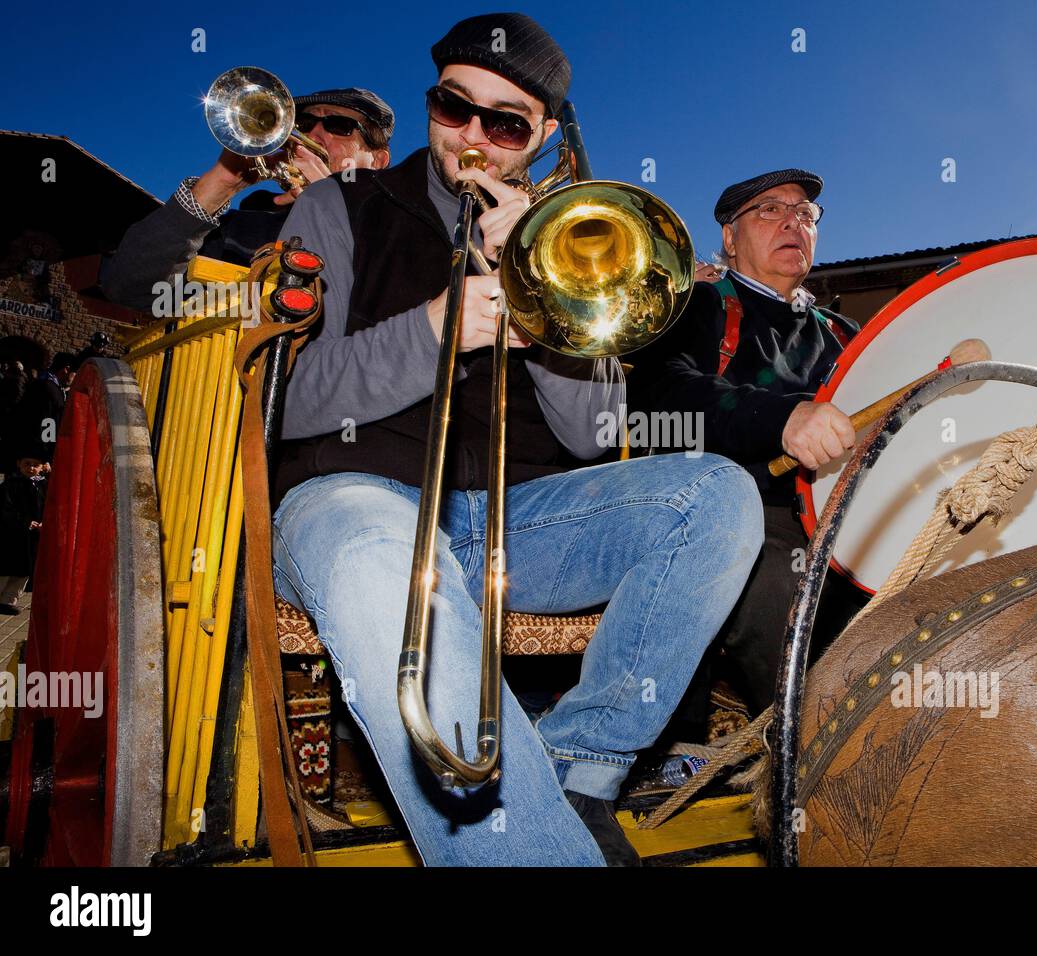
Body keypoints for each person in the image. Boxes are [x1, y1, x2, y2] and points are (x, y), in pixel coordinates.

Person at [270, 13, 763, 866]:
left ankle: (580, 766)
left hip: (516, 517)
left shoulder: (562, 233)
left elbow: (597, 435)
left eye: (503, 125)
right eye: (453, 108)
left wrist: (537, 297)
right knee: (384, 567)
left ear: (539, 141)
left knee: (716, 494)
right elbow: (292, 402)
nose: (472, 140)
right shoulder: (337, 207)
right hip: (354, 493)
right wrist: (438, 327)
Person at [629, 169, 867, 741]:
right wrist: (779, 419)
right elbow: (654, 403)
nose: (793, 222)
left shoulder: (843, 332)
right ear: (730, 240)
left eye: (805, 214)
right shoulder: (698, 306)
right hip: (744, 507)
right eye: (769, 210)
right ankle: (822, 757)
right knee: (772, 579)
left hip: (842, 515)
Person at [99, 87, 394, 311]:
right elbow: (128, 288)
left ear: (377, 160)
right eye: (303, 123)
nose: (313, 135)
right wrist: (218, 185)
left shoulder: (397, 236)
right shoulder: (237, 230)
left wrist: (332, 216)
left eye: (338, 125)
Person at [0, 450, 48, 615]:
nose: (31, 468)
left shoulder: (43, 484)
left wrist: (44, 522)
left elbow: (50, 506)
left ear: (42, 467)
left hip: (32, 537)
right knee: (5, 570)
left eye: (36, 465)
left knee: (24, 572)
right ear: (19, 463)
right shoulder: (10, 484)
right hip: (11, 535)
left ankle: (8, 601)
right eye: (27, 464)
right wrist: (25, 521)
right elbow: (5, 509)